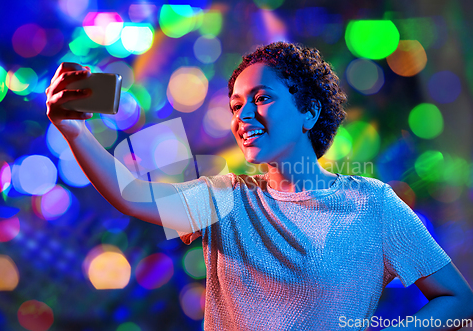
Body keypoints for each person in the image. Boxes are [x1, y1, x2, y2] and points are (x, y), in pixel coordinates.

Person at [46, 41, 473, 330]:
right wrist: (76, 133)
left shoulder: (373, 204)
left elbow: (458, 300)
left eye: (262, 98)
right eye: (236, 104)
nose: (243, 115)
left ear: (308, 112)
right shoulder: (225, 197)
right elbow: (132, 194)